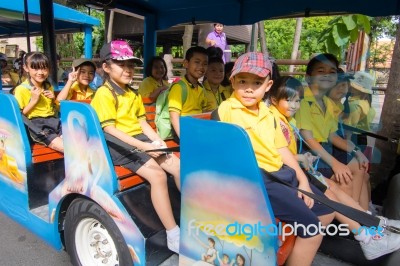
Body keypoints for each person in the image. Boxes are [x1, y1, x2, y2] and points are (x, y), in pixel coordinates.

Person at [212, 52, 335, 266]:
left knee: (327, 211)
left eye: (257, 82)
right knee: (313, 230)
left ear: (268, 86)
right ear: (232, 82)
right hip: (259, 181)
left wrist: (303, 180)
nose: (249, 88)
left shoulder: (268, 114)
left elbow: (281, 149)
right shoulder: (227, 110)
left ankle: (291, 255)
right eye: (242, 81)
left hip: (281, 174)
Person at [268, 76, 400, 260]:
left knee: (335, 187)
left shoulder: (287, 120)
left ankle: (375, 224)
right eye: (288, 100)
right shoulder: (273, 120)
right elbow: (274, 152)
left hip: (297, 170)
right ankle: (367, 235)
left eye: (297, 101)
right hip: (288, 176)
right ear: (273, 99)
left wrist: (301, 158)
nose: (294, 105)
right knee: (330, 195)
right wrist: (301, 162)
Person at [90, 40, 181, 253]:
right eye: (121, 64)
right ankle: (173, 233)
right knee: (157, 175)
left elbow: (142, 123)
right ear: (106, 67)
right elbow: (110, 130)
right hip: (116, 144)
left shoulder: (132, 93)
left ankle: (193, 212)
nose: (128, 69)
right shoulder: (104, 93)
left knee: (178, 166)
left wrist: (156, 141)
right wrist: (145, 146)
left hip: (138, 139)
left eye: (131, 65)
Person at [294, 53, 370, 211]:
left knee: (359, 165)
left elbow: (332, 135)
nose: (327, 75)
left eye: (332, 71)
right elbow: (307, 137)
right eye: (321, 71)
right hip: (308, 155)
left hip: (322, 152)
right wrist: (336, 164)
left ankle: (362, 216)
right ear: (308, 78)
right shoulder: (302, 100)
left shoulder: (327, 103)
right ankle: (355, 219)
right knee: (345, 177)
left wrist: (356, 151)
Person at [12, 52, 63, 152]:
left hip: (54, 122)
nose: (40, 72)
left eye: (44, 68)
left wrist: (54, 99)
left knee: (77, 141)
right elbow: (19, 116)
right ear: (26, 68)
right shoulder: (21, 89)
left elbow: (54, 109)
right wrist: (34, 101)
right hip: (38, 126)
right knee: (69, 149)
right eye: (35, 68)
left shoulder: (48, 86)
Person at [168, 46, 208, 141]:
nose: (201, 67)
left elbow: (204, 113)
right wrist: (185, 140)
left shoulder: (201, 89)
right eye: (197, 62)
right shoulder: (179, 87)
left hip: (197, 130)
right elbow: (174, 117)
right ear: (186, 63)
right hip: (183, 133)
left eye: (205, 64)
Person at [343, 71, 376, 146]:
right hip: (362, 138)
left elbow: (348, 129)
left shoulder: (354, 105)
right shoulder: (367, 103)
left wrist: (345, 144)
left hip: (353, 139)